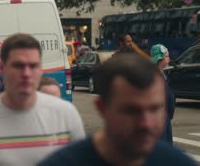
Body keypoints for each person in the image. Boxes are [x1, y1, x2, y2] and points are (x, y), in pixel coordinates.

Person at [39, 53, 196, 166]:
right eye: (131, 111)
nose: (146, 123)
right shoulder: (63, 162)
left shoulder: (178, 162)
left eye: (155, 109)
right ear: (101, 108)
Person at [0, 34, 85, 166]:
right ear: (2, 69)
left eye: (33, 66)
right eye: (18, 65)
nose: (26, 73)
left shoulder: (66, 115)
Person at [151, 44, 175, 144]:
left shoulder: (161, 74)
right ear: (159, 59)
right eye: (166, 56)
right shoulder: (154, 77)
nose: (169, 59)